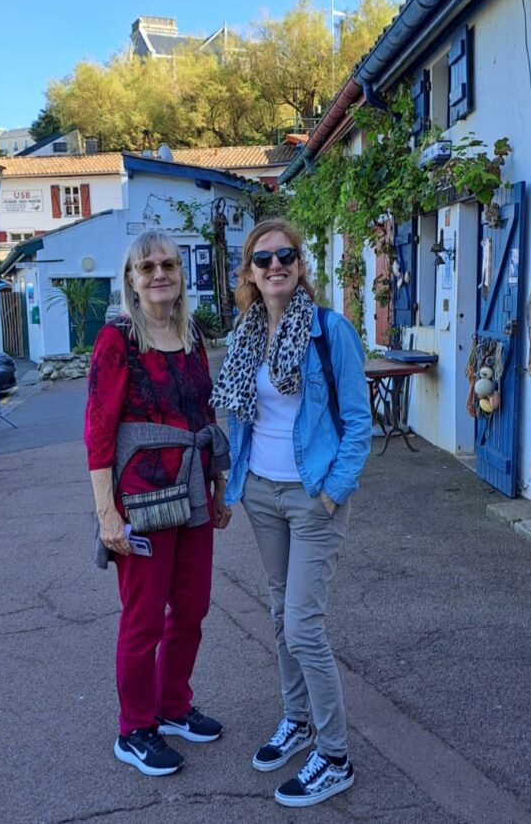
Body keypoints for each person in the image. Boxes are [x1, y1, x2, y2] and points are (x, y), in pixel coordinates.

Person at [211, 219, 371, 808]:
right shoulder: (247, 334)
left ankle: (334, 756)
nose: (275, 265)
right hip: (262, 494)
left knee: (304, 624)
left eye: (285, 256)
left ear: (300, 266)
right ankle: (297, 720)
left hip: (313, 496)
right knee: (281, 614)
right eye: (263, 258)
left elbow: (358, 423)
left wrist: (331, 492)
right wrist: (239, 479)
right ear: (249, 274)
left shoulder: (331, 331)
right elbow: (242, 416)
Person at [84, 229, 232, 777]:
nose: (160, 274)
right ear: (132, 280)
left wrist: (218, 486)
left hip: (192, 493)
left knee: (192, 607)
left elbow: (204, 414)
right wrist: (107, 514)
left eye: (168, 264)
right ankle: (135, 728)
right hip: (143, 498)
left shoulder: (191, 334)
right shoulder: (117, 339)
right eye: (147, 268)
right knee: (143, 618)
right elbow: (98, 432)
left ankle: (172, 707)